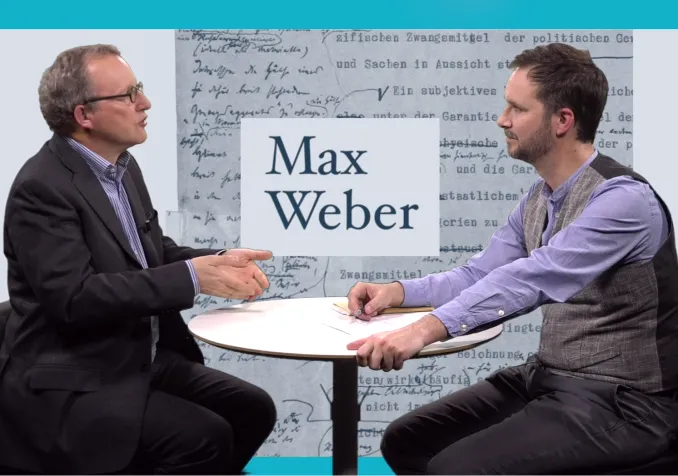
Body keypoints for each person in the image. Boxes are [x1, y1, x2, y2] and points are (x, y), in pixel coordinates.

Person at [346, 42, 678, 474]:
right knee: (407, 440)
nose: (502, 119)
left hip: (627, 402)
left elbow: (532, 277)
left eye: (517, 109)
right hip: (550, 378)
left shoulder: (625, 201)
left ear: (562, 121)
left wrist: (423, 330)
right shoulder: (539, 198)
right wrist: (397, 293)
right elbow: (480, 274)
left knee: (455, 469)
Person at [0, 44, 277, 475]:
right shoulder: (41, 189)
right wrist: (191, 278)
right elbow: (74, 299)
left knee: (252, 409)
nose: (145, 103)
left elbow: (150, 254)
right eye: (128, 95)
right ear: (84, 115)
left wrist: (218, 261)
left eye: (140, 89)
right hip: (74, 380)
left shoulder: (123, 168)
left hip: (136, 359)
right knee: (204, 437)